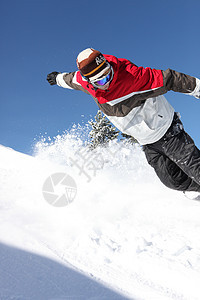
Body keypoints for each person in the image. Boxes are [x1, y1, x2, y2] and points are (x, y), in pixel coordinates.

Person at [47, 48, 200, 194]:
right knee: (173, 181)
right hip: (147, 141)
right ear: (88, 81)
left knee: (195, 169)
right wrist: (57, 78)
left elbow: (171, 78)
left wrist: (198, 89)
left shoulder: (133, 77)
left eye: (108, 74)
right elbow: (71, 79)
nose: (107, 81)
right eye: (100, 82)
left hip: (167, 129)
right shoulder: (83, 81)